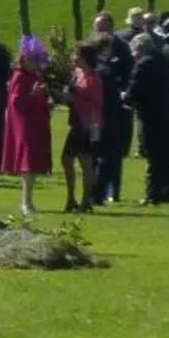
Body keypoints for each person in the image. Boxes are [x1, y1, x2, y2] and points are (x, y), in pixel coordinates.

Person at [129, 33, 169, 208]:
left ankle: (152, 194)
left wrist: (125, 98)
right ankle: (168, 191)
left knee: (154, 156)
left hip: (151, 116)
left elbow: (135, 91)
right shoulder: (165, 60)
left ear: (139, 48)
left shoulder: (143, 64)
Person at [1, 39, 54, 219]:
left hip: (36, 122)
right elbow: (16, 102)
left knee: (33, 164)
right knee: (28, 163)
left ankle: (29, 201)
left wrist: (46, 99)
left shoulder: (34, 75)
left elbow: (39, 96)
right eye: (33, 59)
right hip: (25, 124)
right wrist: (33, 94)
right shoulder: (20, 77)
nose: (36, 63)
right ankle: (26, 202)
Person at [61, 46, 104, 213]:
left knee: (86, 163)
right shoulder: (77, 74)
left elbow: (96, 104)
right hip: (76, 122)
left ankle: (86, 202)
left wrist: (76, 96)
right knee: (66, 160)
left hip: (87, 125)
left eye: (77, 55)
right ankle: (71, 198)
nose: (74, 57)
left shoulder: (94, 78)